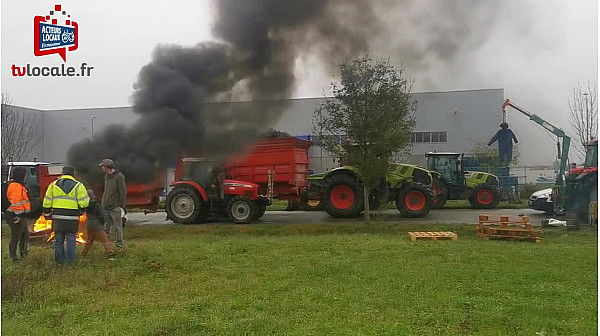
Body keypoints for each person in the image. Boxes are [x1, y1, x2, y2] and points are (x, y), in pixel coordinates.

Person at [43, 165, 89, 264]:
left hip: (57, 217)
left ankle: (59, 261)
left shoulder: (53, 185)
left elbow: (47, 202)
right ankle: (70, 262)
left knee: (59, 240)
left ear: (62, 173)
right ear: (73, 174)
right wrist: (81, 210)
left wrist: (47, 213)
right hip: (72, 218)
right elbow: (84, 203)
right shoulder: (79, 185)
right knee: (71, 239)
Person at [99, 159, 127, 253]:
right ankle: (107, 247)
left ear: (107, 166)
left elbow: (123, 191)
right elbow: (106, 191)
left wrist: (120, 205)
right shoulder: (106, 176)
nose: (102, 168)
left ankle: (120, 246)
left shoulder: (119, 177)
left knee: (118, 228)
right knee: (106, 228)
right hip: (105, 207)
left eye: (103, 166)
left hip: (115, 207)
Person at [5, 167, 31, 262]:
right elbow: (16, 202)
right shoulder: (15, 186)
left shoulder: (19, 185)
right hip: (14, 215)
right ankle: (13, 257)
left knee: (25, 235)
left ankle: (23, 254)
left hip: (19, 215)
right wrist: (19, 215)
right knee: (16, 236)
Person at [81, 189, 115, 259]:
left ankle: (83, 254)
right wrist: (103, 222)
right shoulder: (97, 205)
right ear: (93, 196)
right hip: (97, 225)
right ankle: (109, 252)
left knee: (89, 240)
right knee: (104, 239)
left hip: (89, 225)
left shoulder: (86, 205)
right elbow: (101, 215)